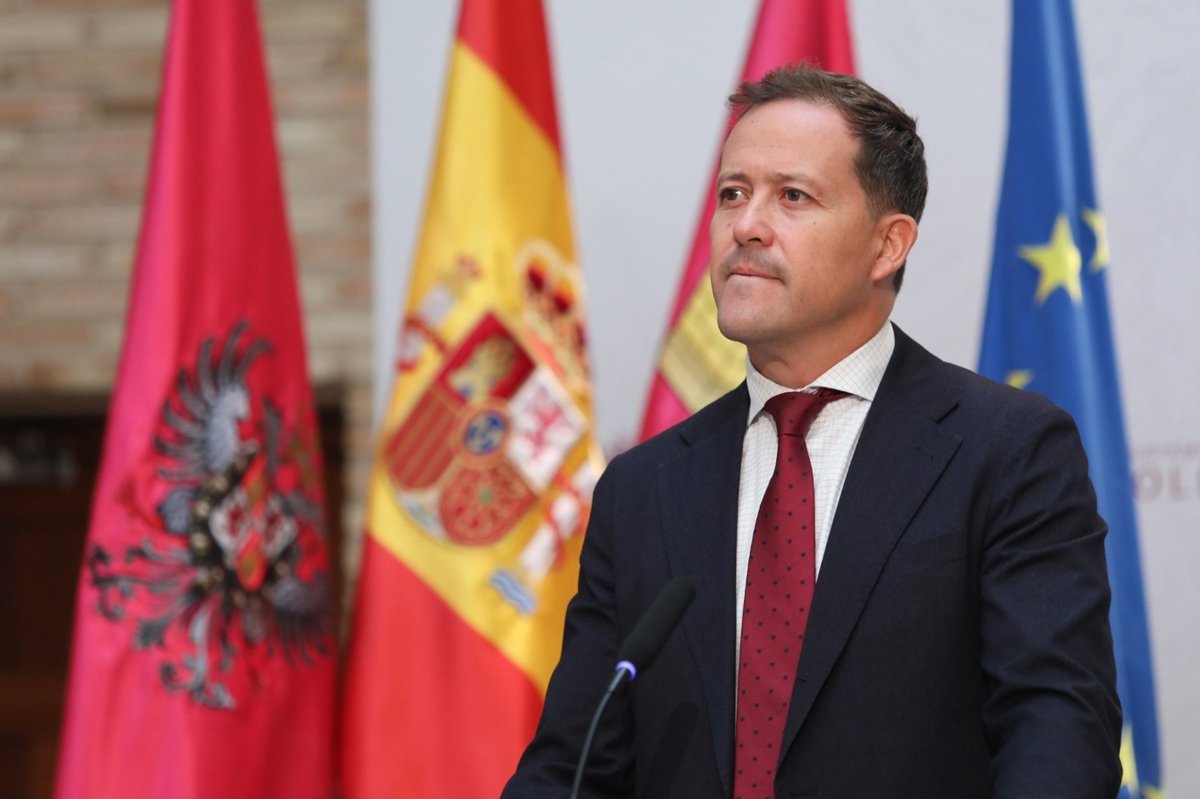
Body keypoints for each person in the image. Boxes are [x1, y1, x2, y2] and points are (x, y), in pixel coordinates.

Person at [502, 66, 1121, 798]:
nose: (746, 226)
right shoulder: (643, 489)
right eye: (733, 193)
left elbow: (1058, 729)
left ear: (888, 246)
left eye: (792, 196)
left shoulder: (1007, 451)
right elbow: (573, 766)